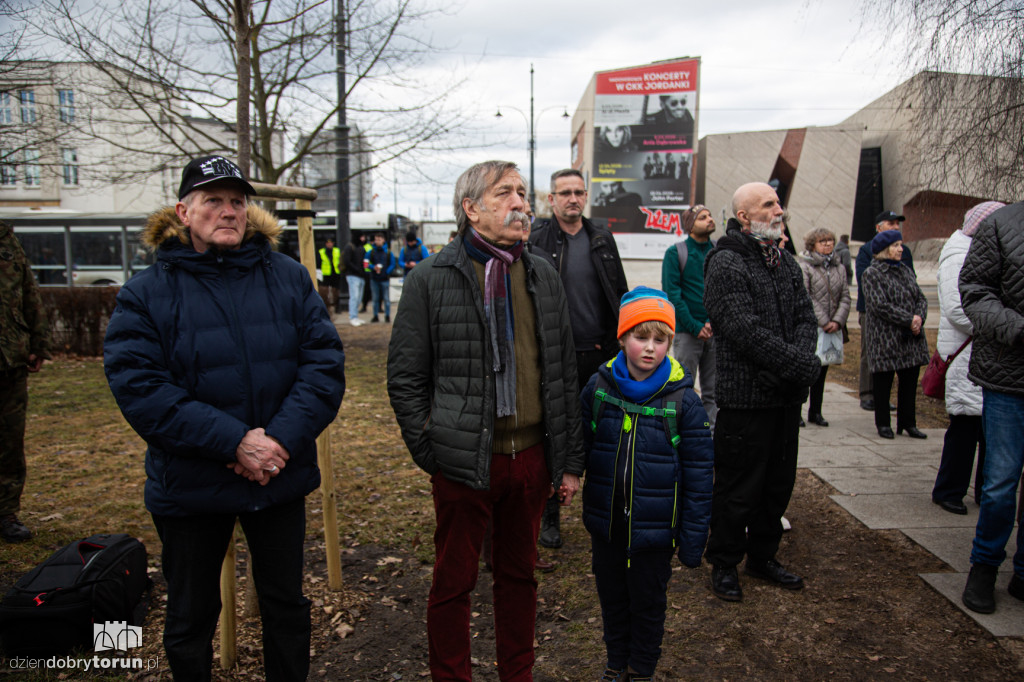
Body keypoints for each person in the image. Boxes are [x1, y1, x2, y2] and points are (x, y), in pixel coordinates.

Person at [103, 155, 345, 681]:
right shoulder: (145, 294)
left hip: (278, 476)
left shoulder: (288, 278)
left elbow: (323, 366)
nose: (228, 211)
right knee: (191, 615)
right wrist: (235, 442)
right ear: (184, 212)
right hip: (192, 486)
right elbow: (142, 390)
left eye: (237, 201)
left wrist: (276, 441)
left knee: (286, 605)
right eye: (213, 200)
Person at [387, 160, 584, 681]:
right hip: (461, 462)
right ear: (471, 209)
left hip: (530, 460)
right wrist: (432, 452)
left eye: (522, 192)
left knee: (519, 578)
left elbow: (562, 372)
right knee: (453, 583)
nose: (521, 203)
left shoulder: (541, 272)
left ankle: (516, 674)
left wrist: (566, 461)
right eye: (505, 193)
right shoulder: (431, 278)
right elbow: (406, 379)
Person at [581, 286, 713, 682]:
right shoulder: (599, 390)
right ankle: (615, 663)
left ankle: (641, 670)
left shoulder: (683, 403)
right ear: (622, 338)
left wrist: (691, 541)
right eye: (641, 337)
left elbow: (701, 478)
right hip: (606, 527)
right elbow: (580, 449)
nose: (651, 348)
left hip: (655, 535)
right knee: (613, 600)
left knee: (648, 603)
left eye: (661, 339)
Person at [702, 182, 820, 602]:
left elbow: (807, 318)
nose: (779, 210)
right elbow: (742, 329)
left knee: (777, 485)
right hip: (745, 402)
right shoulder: (726, 263)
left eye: (778, 203)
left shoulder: (785, 262)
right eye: (769, 204)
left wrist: (798, 365)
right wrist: (798, 365)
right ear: (745, 217)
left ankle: (763, 556)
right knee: (738, 488)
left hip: (785, 400)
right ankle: (725, 562)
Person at [529, 168, 629, 550]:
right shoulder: (536, 238)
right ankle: (550, 515)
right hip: (553, 353)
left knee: (601, 433)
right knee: (553, 433)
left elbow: (618, 292)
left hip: (598, 353)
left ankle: (600, 511)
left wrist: (616, 343)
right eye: (564, 192)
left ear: (585, 197)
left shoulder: (601, 237)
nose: (572, 198)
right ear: (551, 199)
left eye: (578, 192)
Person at [959, 200, 1024, 614]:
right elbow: (975, 293)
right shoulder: (1001, 224)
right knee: (1000, 482)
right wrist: (1020, 330)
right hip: (1010, 376)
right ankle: (984, 567)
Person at [932, 202, 1004, 515]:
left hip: (986, 352)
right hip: (966, 354)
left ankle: (985, 488)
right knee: (964, 427)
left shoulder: (982, 250)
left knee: (990, 427)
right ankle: (949, 490)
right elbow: (957, 309)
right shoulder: (959, 254)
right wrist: (1001, 322)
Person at [1, 219, 51, 543]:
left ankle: (5, 512)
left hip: (9, 358)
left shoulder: (6, 237)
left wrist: (38, 342)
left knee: (8, 439)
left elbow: (28, 291)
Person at [860, 230, 929, 440]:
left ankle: (908, 423)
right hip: (885, 339)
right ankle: (883, 423)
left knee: (909, 384)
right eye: (896, 245)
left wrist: (918, 317)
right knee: (883, 384)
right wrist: (909, 320)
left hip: (910, 339)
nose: (901, 249)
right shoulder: (872, 274)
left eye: (901, 244)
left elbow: (921, 298)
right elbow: (880, 305)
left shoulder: (906, 271)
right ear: (883, 249)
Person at [661, 204, 718, 430]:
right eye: (703, 217)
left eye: (710, 215)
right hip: (687, 333)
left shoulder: (717, 251)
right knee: (682, 388)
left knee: (713, 392)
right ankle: (682, 435)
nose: (709, 219)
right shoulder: (676, 253)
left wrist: (712, 323)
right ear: (690, 225)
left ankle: (711, 439)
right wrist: (695, 326)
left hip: (715, 331)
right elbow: (673, 295)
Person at [856, 211, 916, 411]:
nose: (895, 227)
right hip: (872, 310)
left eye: (897, 224)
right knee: (870, 351)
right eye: (891, 223)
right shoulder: (867, 250)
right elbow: (865, 280)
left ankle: (884, 397)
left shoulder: (904, 251)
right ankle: (867, 393)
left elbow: (911, 280)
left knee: (895, 353)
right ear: (878, 227)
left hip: (902, 313)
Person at [797, 227, 851, 427]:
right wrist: (824, 321)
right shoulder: (805, 267)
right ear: (812, 245)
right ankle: (798, 411)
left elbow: (845, 295)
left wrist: (837, 320)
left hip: (833, 326)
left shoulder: (839, 267)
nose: (828, 244)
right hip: (813, 326)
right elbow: (806, 295)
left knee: (823, 370)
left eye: (830, 240)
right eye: (823, 241)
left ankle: (816, 411)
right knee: (807, 370)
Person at [364, 231, 395, 323]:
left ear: (383, 240)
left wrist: (386, 272)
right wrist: (373, 267)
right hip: (374, 278)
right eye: (376, 240)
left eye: (379, 239)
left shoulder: (388, 252)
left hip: (385, 278)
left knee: (386, 298)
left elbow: (392, 264)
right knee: (375, 299)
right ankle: (375, 315)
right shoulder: (370, 252)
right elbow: (365, 264)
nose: (377, 241)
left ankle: (387, 315)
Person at [343, 232, 368, 327]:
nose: (363, 239)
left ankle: (355, 316)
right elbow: (347, 261)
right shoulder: (350, 247)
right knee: (354, 296)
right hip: (353, 276)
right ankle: (353, 317)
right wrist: (358, 270)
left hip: (360, 276)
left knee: (358, 297)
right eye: (362, 236)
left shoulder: (361, 248)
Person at [318, 237, 342, 314]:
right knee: (325, 292)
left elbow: (340, 261)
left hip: (335, 274)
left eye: (331, 243)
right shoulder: (321, 252)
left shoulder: (337, 251)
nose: (329, 244)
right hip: (326, 274)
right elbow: (318, 263)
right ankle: (326, 308)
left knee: (336, 292)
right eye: (328, 243)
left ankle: (337, 308)